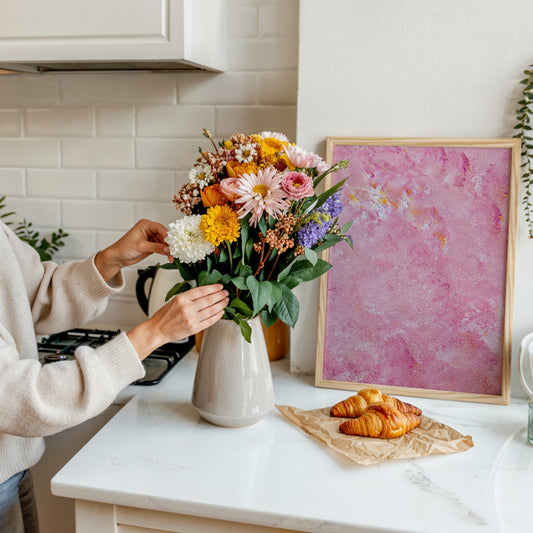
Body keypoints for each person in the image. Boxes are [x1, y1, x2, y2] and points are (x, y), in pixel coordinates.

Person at [0, 218, 229, 533]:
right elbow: (20, 397)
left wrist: (109, 260)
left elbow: (30, 294)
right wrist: (153, 334)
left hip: (14, 466)